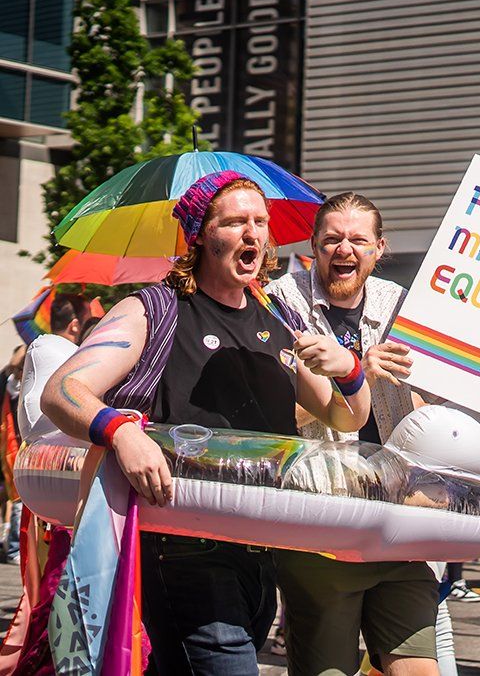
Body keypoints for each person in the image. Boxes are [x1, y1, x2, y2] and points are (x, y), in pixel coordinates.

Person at [41, 171, 372, 674]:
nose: (253, 234)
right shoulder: (154, 309)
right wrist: (121, 431)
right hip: (183, 548)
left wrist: (349, 370)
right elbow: (61, 391)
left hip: (263, 550)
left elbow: (346, 415)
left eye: (260, 222)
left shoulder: (279, 316)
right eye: (235, 221)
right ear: (198, 233)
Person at [267, 191, 451, 676]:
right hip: (321, 522)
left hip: (398, 522)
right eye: (331, 240)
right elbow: (275, 415)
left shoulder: (402, 307)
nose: (344, 249)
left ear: (379, 248)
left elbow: (436, 408)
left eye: (357, 240)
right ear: (313, 246)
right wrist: (355, 375)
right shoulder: (279, 304)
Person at [17, 293, 91, 441]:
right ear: (75, 326)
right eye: (89, 322)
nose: (94, 328)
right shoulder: (56, 350)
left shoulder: (48, 349)